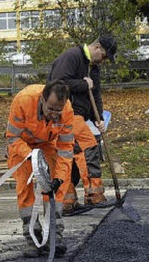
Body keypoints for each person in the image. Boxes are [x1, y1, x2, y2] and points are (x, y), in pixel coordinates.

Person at [48, 34, 117, 212]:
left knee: (68, 158)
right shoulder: (72, 57)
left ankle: (66, 203)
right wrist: (82, 84)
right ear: (96, 48)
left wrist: (99, 119)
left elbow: (95, 94)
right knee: (88, 147)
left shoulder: (93, 68)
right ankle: (94, 196)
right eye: (104, 56)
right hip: (65, 114)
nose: (103, 60)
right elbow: (57, 84)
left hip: (80, 116)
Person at [5, 81, 74, 258]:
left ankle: (55, 235)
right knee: (24, 186)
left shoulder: (66, 110)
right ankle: (32, 237)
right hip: (22, 145)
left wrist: (59, 177)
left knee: (57, 188)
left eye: (58, 110)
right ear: (42, 100)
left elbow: (66, 148)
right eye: (51, 109)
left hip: (48, 144)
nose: (54, 114)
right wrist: (31, 157)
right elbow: (13, 137)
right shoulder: (23, 101)